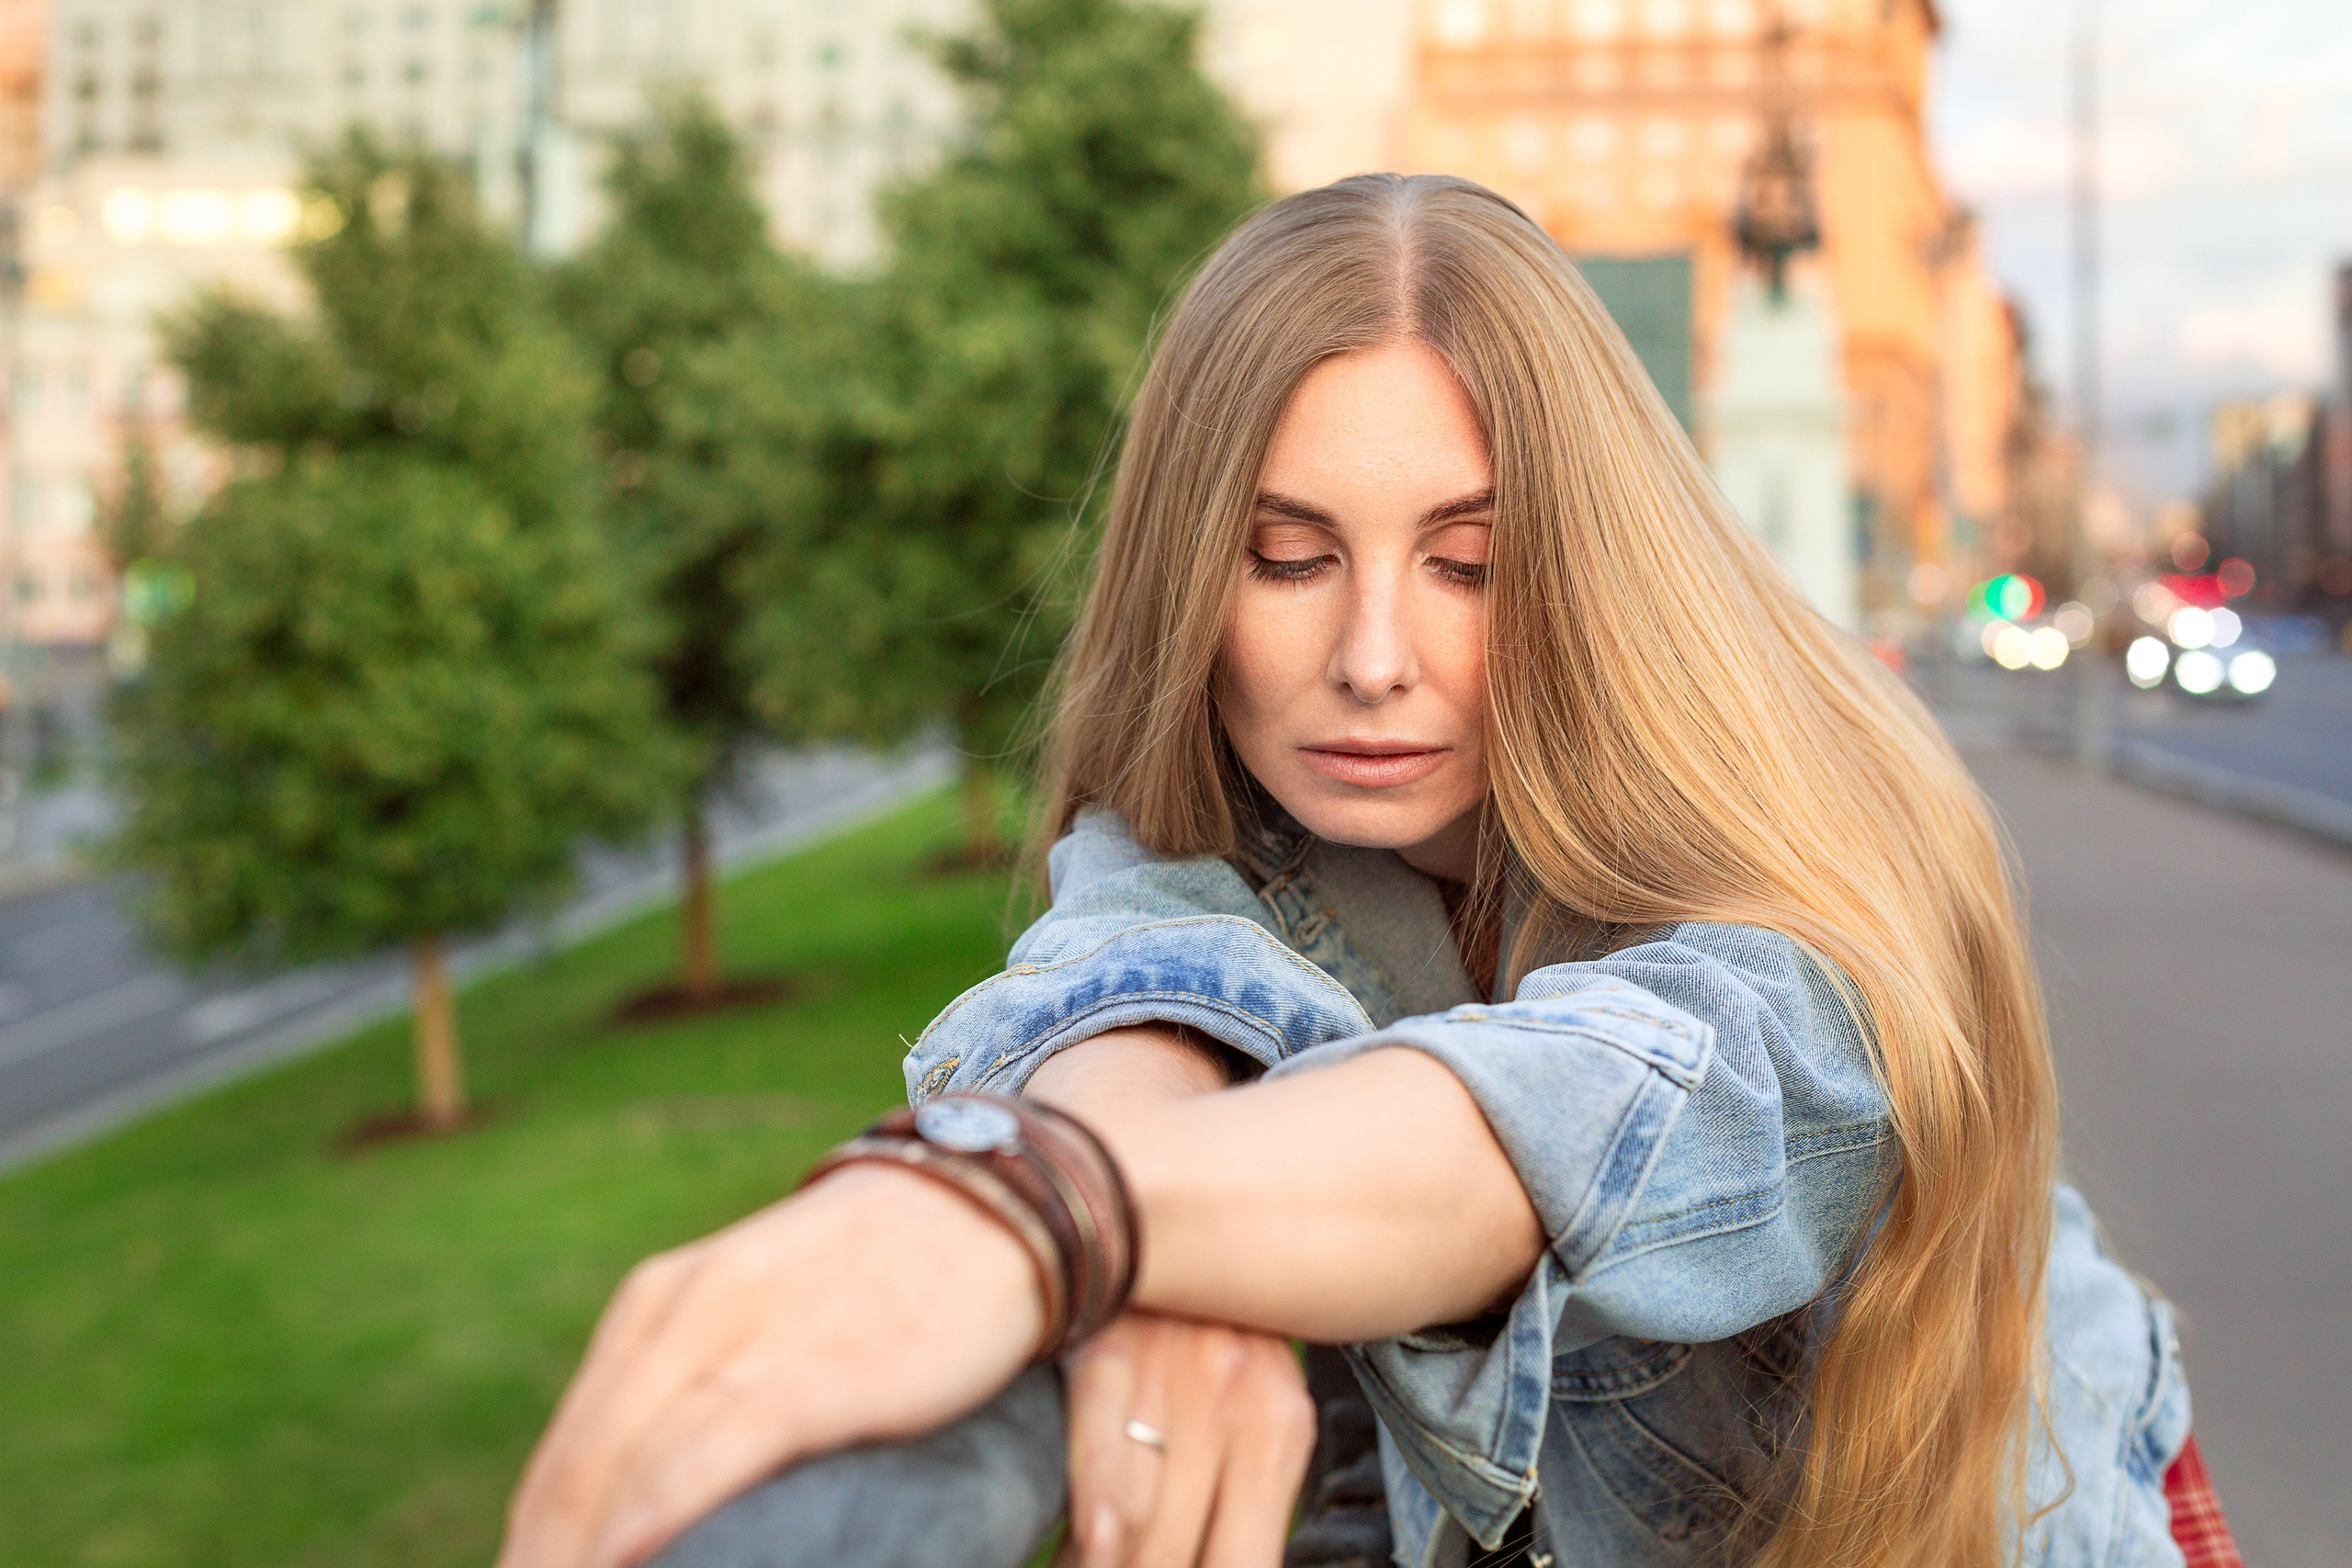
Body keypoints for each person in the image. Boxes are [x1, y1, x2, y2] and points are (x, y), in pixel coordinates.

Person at [497, 175, 2220, 1568]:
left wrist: (1058, 1219)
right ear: (1193, 573)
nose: (1375, 655)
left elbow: (1613, 1110)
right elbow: (1141, 977)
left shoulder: (1820, 815)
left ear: (1587, 561)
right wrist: (1132, 1189)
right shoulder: (1218, 837)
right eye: (1287, 555)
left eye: (1467, 562)